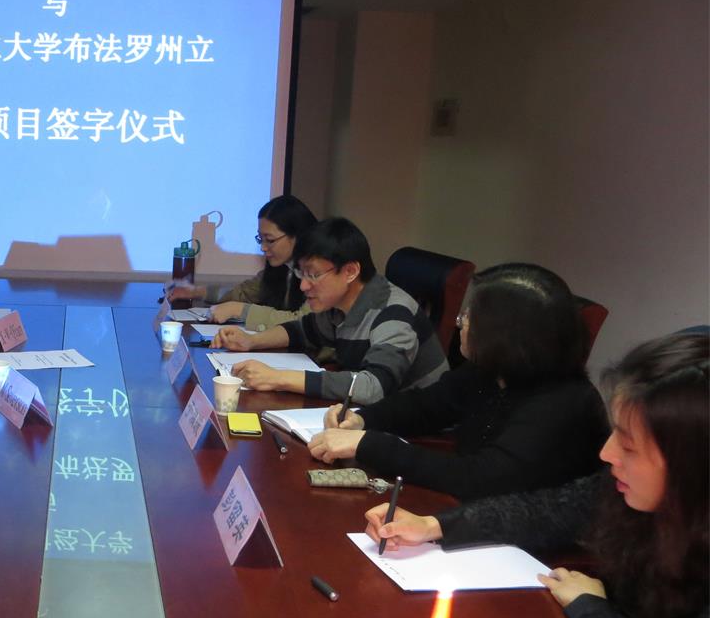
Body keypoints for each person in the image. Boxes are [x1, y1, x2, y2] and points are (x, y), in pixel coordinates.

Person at [365, 332, 709, 618]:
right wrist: (434, 525)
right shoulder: (631, 492)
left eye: (629, 447)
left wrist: (588, 607)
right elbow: (546, 511)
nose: (607, 453)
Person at [308, 263, 608, 500]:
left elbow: (481, 477)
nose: (460, 322)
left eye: (471, 316)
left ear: (506, 336)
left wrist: (370, 445)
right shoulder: (491, 370)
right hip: (471, 512)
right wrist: (362, 420)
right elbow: (427, 406)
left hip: (532, 544)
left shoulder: (563, 403)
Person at [211, 217, 448, 404]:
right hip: (371, 415)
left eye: (313, 275)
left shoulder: (393, 312)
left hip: (421, 432)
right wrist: (251, 341)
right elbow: (302, 331)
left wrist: (278, 378)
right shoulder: (341, 305)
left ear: (350, 272)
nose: (304, 286)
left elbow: (373, 387)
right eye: (301, 273)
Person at [169, 196, 319, 329]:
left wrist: (240, 310)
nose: (263, 247)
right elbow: (244, 293)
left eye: (270, 240)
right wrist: (195, 292)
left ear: (297, 236)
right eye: (260, 239)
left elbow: (305, 322)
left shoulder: (319, 271)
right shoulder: (282, 267)